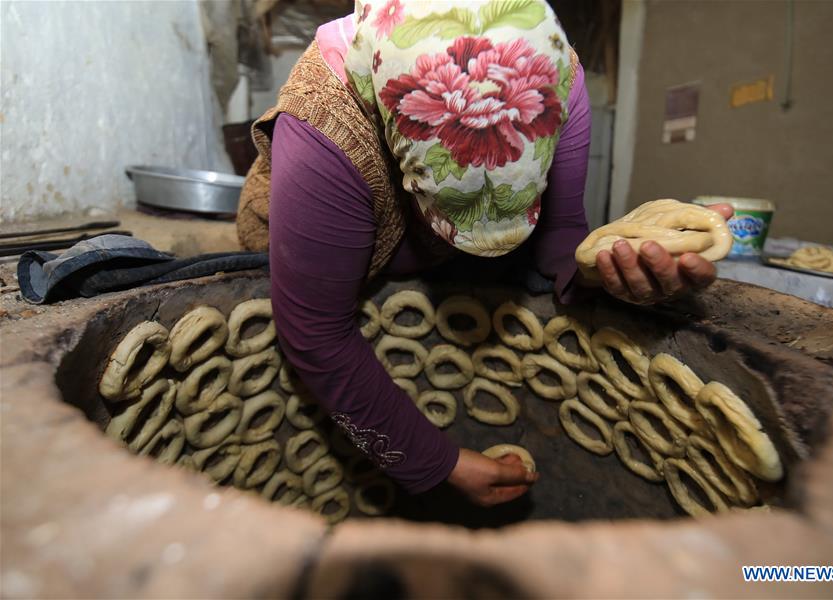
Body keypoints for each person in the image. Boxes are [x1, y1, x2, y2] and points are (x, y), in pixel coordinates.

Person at [236, 0, 732, 507]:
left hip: (440, 260)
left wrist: (606, 268)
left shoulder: (557, 77)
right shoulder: (323, 126)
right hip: (321, 246)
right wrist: (434, 463)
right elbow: (315, 330)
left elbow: (560, 240)